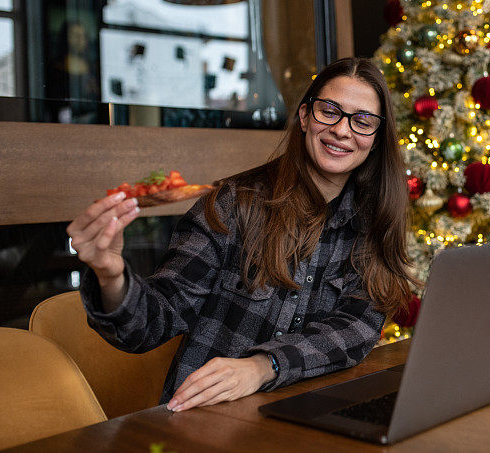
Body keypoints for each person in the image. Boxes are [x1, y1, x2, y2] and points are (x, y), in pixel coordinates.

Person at [66, 57, 417, 412]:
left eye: (362, 121)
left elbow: (356, 328)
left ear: (375, 139)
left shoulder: (375, 221)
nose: (342, 130)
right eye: (330, 111)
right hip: (209, 421)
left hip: (311, 416)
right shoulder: (232, 205)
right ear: (305, 116)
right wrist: (111, 276)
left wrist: (265, 365)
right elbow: (150, 324)